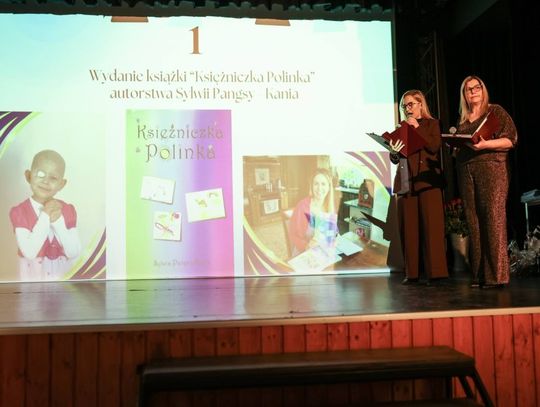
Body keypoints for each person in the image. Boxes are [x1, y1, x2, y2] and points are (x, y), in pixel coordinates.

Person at [454, 75, 517, 288]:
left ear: (483, 90)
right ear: (464, 95)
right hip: (466, 171)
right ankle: (480, 275)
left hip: (492, 169)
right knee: (474, 221)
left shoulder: (495, 111)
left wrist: (485, 145)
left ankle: (496, 276)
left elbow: (510, 139)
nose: (473, 92)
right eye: (468, 89)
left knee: (493, 218)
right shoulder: (463, 119)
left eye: (476, 87)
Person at [388, 90, 448, 284]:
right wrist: (393, 151)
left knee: (432, 228)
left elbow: (434, 146)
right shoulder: (402, 128)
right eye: (404, 106)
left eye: (411, 104)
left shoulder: (432, 124)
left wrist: (417, 127)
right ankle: (412, 273)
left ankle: (436, 273)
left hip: (427, 181)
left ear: (421, 104)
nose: (407, 109)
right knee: (409, 230)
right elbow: (396, 158)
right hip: (407, 181)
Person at [9, 149, 81, 281]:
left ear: (61, 184)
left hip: (61, 278)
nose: (46, 181)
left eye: (53, 178)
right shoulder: (19, 212)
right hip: (33, 278)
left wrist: (58, 221)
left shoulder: (67, 210)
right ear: (28, 176)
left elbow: (73, 252)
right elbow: (30, 252)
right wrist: (45, 215)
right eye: (40, 174)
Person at [288, 168, 338, 257]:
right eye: (316, 184)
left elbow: (332, 231)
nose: (319, 188)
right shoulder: (302, 206)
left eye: (323, 184)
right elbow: (293, 234)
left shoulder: (330, 206)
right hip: (303, 253)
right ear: (311, 186)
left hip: (323, 252)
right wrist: (306, 246)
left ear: (329, 187)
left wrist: (334, 238)